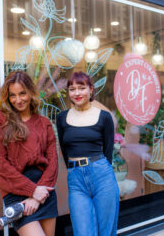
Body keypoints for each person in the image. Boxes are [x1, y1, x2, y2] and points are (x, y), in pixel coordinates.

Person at [0, 71, 58, 236]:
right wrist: (31, 190)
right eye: (12, 95)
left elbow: (53, 161)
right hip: (16, 192)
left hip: (44, 191)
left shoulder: (44, 123)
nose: (18, 100)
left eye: (22, 94)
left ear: (31, 93)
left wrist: (37, 194)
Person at [56, 71, 119, 236]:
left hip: (102, 175)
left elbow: (108, 151)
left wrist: (99, 169)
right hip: (76, 180)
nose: (76, 93)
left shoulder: (104, 117)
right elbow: (64, 149)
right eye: (72, 89)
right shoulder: (62, 118)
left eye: (81, 88)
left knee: (106, 231)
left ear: (91, 90)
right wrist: (73, 168)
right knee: (83, 232)